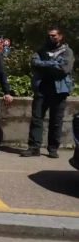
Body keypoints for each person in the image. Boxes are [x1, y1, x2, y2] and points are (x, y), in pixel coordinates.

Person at [20, 27, 74, 158]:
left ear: (60, 37)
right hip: (42, 88)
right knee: (36, 119)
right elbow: (34, 63)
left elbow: (63, 69)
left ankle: (53, 149)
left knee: (56, 120)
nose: (51, 38)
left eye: (54, 36)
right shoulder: (41, 50)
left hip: (59, 90)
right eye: (49, 35)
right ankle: (34, 148)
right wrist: (53, 64)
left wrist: (44, 64)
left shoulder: (67, 52)